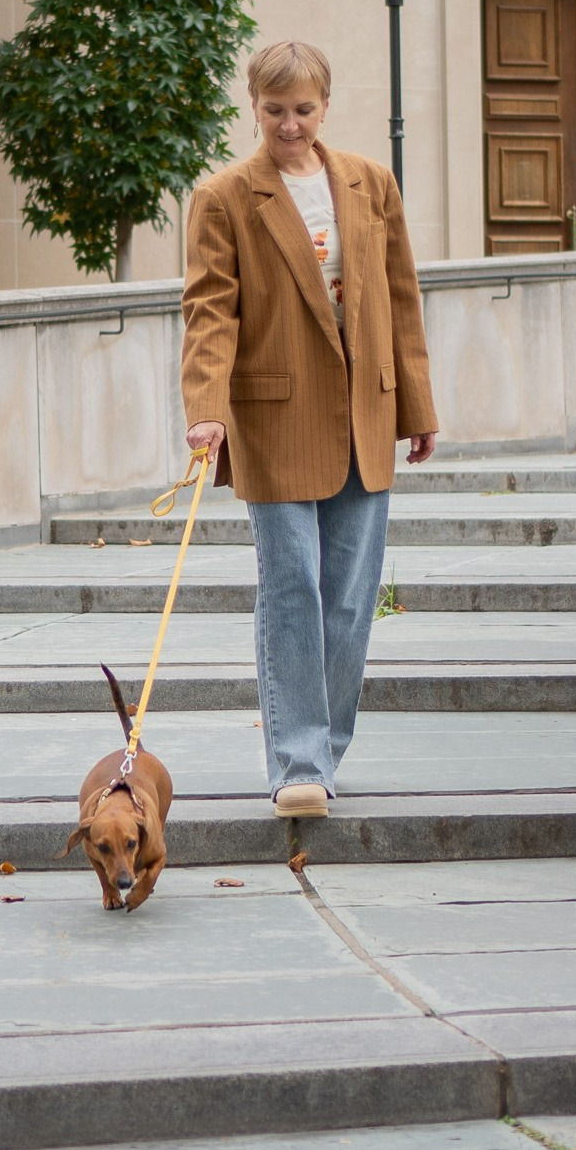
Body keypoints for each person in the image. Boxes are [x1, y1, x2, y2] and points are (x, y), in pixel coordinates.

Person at [181, 40, 439, 817]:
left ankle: (324, 748)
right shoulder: (225, 196)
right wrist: (205, 411)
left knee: (352, 599)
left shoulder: (370, 183)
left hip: (368, 413)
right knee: (292, 586)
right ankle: (297, 760)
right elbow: (209, 312)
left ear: (325, 106)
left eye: (302, 110)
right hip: (272, 419)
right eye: (274, 110)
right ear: (252, 107)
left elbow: (401, 301)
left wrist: (417, 407)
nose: (289, 125)